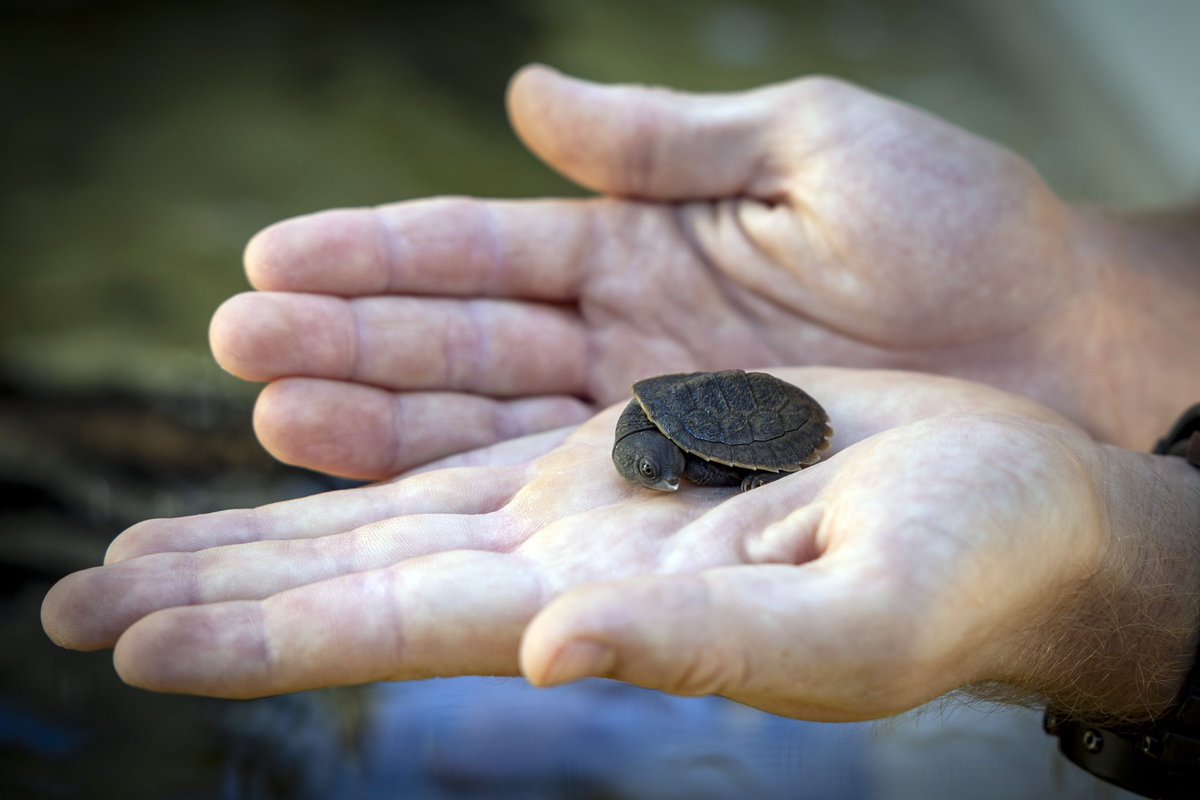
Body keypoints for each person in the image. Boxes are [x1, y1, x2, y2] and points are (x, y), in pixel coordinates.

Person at [40, 66, 1200, 730]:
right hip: (741, 403)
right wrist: (1089, 302)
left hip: (768, 416)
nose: (640, 472)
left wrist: (1138, 555)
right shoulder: (647, 434)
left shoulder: (687, 440)